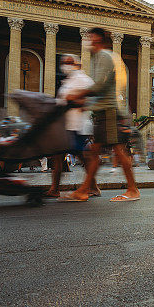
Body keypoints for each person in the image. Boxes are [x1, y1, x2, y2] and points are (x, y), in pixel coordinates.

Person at [64, 27, 139, 202]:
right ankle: (85, 189)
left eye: (90, 37)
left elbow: (100, 86)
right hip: (104, 111)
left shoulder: (104, 56)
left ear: (98, 39)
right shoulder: (103, 57)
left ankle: (133, 189)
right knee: (94, 153)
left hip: (109, 112)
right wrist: (89, 104)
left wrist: (79, 95)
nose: (88, 40)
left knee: (119, 152)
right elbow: (104, 89)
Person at [45, 54, 99, 198]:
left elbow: (91, 100)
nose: (65, 65)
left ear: (78, 64)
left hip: (78, 125)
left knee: (83, 156)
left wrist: (72, 101)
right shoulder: (68, 81)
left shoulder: (84, 79)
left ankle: (92, 187)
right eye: (63, 62)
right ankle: (55, 189)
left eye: (69, 62)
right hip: (65, 125)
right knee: (59, 155)